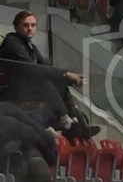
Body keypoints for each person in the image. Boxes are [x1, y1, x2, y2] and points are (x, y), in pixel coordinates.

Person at [0, 10, 99, 141]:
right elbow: (33, 70)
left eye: (33, 25)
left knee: (59, 81)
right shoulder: (12, 44)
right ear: (16, 27)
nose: (30, 28)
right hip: (10, 92)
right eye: (26, 25)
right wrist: (66, 74)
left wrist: (67, 78)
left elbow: (47, 67)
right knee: (43, 81)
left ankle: (77, 123)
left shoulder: (29, 45)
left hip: (24, 88)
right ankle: (67, 123)